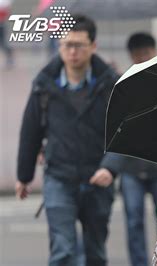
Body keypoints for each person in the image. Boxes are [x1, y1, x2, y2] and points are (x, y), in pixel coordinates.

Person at [15, 14, 120, 266]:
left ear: (93, 46)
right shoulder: (43, 85)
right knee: (63, 250)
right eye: (66, 45)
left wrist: (111, 167)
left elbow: (123, 131)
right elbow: (30, 131)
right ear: (59, 46)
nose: (72, 51)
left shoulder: (111, 85)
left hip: (98, 180)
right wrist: (24, 176)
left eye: (78, 45)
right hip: (59, 178)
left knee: (95, 253)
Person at [104, 32, 157, 266]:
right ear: (131, 56)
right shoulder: (121, 85)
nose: (143, 57)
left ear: (156, 52)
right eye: (138, 54)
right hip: (131, 168)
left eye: (147, 53)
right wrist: (110, 76)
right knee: (133, 221)